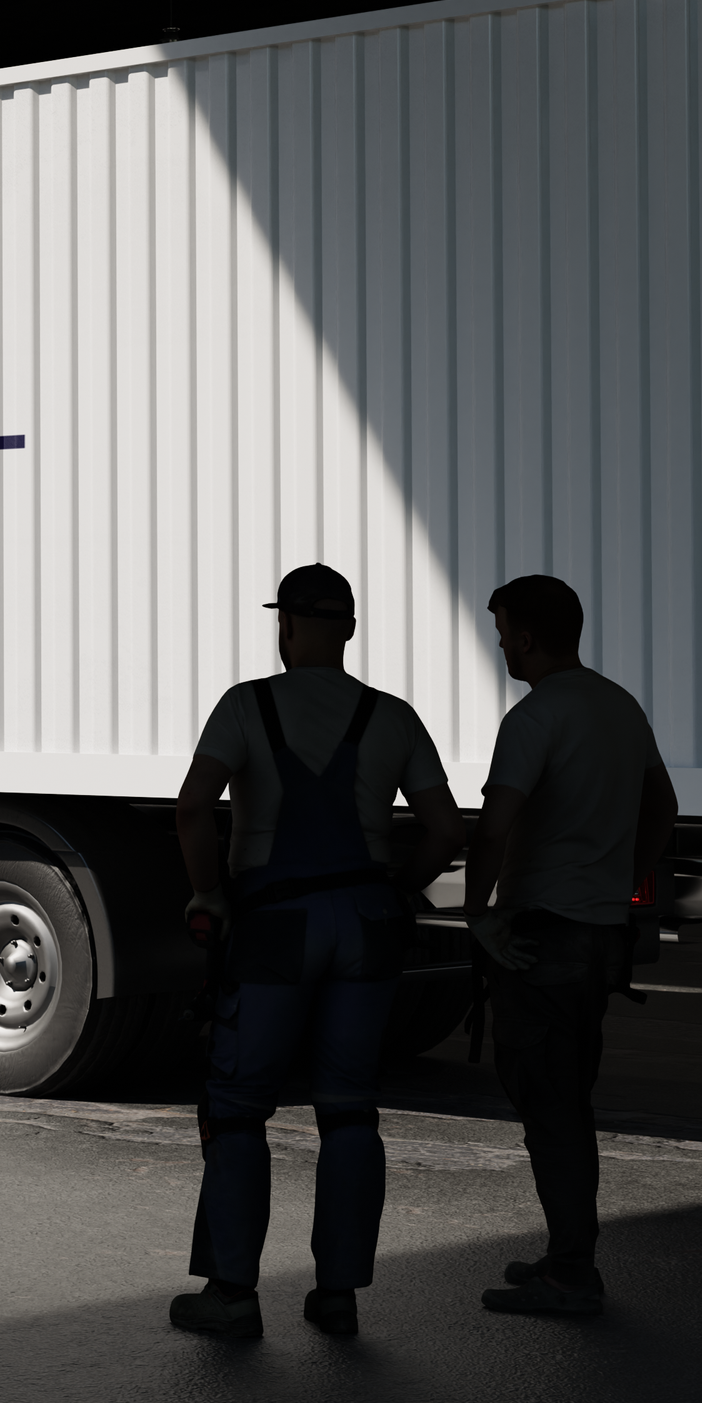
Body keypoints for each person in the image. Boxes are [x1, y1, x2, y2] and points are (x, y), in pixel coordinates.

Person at [168, 564, 464, 1340]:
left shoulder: (246, 705)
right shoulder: (392, 717)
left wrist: (208, 892)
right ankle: (337, 1295)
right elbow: (444, 828)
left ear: (286, 624)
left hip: (274, 923)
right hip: (366, 923)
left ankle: (232, 1294)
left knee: (238, 1109)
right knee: (349, 1107)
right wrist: (398, 886)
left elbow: (194, 806)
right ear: (350, 629)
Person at [468, 574, 677, 1316]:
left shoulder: (535, 717)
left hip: (543, 934)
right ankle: (566, 1254)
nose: (501, 646)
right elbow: (664, 806)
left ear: (525, 638)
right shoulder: (619, 705)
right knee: (568, 1097)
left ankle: (570, 1275)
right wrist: (622, 877)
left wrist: (478, 914)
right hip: (597, 934)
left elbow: (494, 827)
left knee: (548, 1103)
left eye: (502, 633)